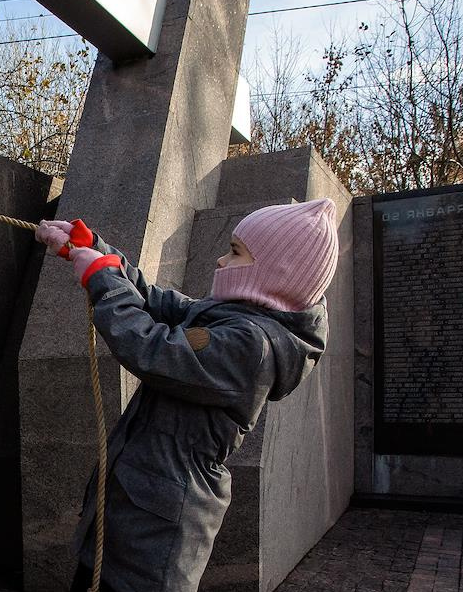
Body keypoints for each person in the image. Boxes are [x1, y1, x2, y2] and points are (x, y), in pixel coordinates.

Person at [35, 198, 339, 592]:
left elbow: (151, 347)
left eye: (234, 251)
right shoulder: (232, 321)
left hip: (156, 538)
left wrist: (102, 277)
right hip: (136, 518)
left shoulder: (251, 345)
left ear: (276, 273)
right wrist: (97, 248)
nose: (219, 260)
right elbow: (157, 301)